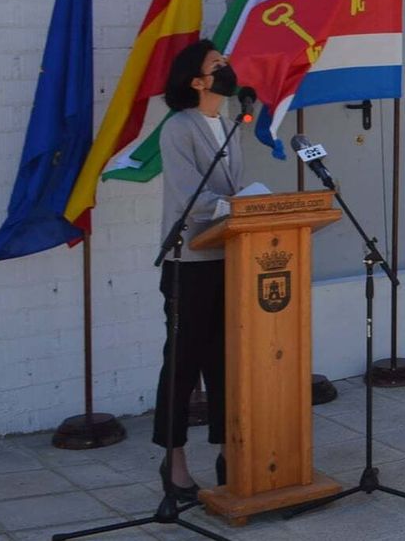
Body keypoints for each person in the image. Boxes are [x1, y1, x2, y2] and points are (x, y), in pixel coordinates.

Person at [153, 39, 241, 499]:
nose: (226, 68)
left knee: (226, 360)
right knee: (183, 362)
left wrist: (252, 203)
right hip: (189, 261)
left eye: (225, 61)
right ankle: (175, 460)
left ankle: (230, 451)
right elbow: (193, 197)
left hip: (229, 257)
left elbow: (232, 188)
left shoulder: (229, 124)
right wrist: (238, 203)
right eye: (216, 64)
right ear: (196, 81)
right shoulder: (179, 127)